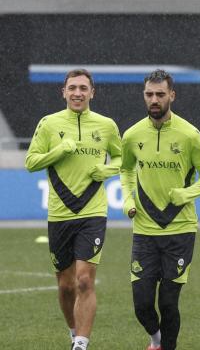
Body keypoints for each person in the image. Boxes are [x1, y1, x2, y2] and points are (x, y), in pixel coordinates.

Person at [25, 69, 122, 350]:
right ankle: (72, 330)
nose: (77, 93)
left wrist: (105, 170)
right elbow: (31, 162)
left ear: (92, 92)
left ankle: (81, 343)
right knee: (66, 286)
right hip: (59, 215)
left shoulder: (106, 125)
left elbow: (121, 158)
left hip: (92, 213)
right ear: (63, 92)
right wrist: (60, 151)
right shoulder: (49, 124)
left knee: (83, 280)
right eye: (72, 88)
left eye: (83, 88)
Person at [120, 69, 200, 350]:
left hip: (180, 231)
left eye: (160, 94)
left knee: (168, 302)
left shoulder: (189, 135)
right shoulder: (132, 135)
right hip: (144, 232)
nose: (154, 99)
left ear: (171, 95)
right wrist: (128, 200)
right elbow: (125, 171)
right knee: (141, 305)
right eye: (149, 94)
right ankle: (156, 340)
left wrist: (185, 193)